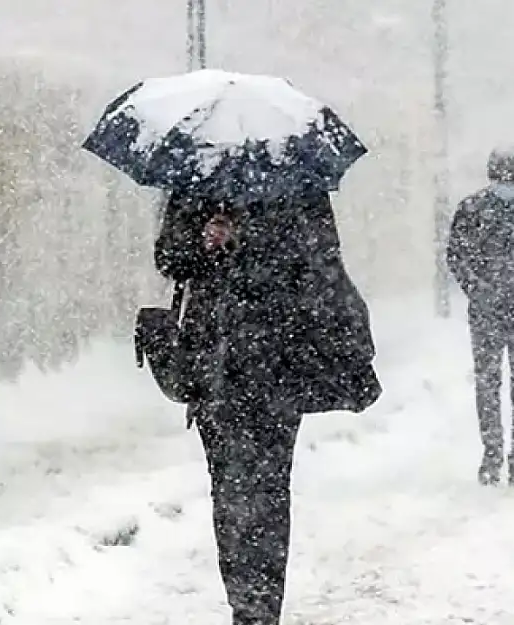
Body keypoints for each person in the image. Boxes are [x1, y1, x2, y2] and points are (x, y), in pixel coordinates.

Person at [154, 184, 381, 625]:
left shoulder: (299, 187)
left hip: (278, 364)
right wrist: (202, 242)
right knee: (228, 490)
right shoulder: (194, 184)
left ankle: (261, 608)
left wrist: (254, 246)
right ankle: (244, 601)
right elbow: (169, 258)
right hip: (212, 367)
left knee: (269, 490)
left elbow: (321, 264)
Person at [447, 146, 514, 488]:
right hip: (488, 312)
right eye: (501, 177)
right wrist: (477, 288)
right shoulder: (472, 209)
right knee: (489, 385)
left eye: (511, 177)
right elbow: (457, 255)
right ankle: (493, 454)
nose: (506, 183)